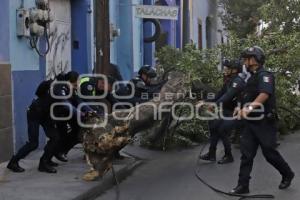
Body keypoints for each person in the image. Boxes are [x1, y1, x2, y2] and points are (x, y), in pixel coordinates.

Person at [230, 46, 294, 194]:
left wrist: (248, 109)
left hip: (265, 122)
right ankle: (243, 185)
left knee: (269, 153)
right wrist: (239, 107)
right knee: (246, 154)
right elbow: (247, 97)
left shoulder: (265, 75)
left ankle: (287, 174)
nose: (245, 61)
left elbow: (264, 94)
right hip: (251, 123)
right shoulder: (251, 77)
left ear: (255, 59)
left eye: (247, 58)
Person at [7, 79, 61, 173]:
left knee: (55, 137)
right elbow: (39, 92)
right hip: (34, 113)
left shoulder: (62, 91)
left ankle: (44, 162)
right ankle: (13, 162)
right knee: (33, 144)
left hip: (45, 115)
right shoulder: (54, 88)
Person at [199, 59, 245, 164]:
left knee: (222, 129)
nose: (224, 69)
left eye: (227, 68)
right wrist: (205, 101)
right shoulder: (228, 81)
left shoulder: (237, 82)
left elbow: (227, 96)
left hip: (239, 113)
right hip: (228, 112)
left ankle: (229, 156)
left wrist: (214, 105)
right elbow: (219, 94)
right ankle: (211, 154)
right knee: (214, 126)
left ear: (234, 70)